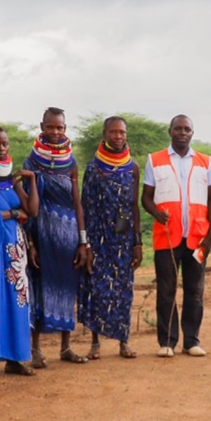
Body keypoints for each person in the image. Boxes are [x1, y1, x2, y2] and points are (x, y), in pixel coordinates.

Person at [142, 114, 211, 357]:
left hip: (197, 237)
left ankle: (191, 341)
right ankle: (167, 342)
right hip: (167, 236)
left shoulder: (205, 161)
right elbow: (145, 197)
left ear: (192, 133)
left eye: (187, 129)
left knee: (195, 290)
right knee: (167, 290)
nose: (182, 133)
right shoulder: (155, 160)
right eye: (178, 128)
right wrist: (155, 212)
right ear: (170, 131)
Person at [25, 107, 93, 367]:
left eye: (60, 127)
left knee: (67, 288)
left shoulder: (71, 162)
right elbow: (27, 205)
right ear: (42, 126)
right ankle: (36, 349)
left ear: (65, 129)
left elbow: (77, 205)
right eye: (51, 127)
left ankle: (66, 347)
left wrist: (83, 241)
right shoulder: (31, 162)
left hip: (68, 238)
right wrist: (30, 243)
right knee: (40, 288)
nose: (55, 132)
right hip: (41, 235)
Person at [78, 115, 143, 360]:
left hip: (123, 239)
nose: (118, 136)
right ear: (105, 135)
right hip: (98, 237)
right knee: (98, 288)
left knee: (123, 290)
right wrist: (88, 243)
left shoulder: (132, 167)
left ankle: (123, 341)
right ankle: (95, 342)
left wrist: (137, 242)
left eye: (122, 133)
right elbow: (86, 206)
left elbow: (134, 206)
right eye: (114, 132)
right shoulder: (94, 168)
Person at [0, 124, 39, 375]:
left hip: (16, 251)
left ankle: (15, 359)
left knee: (18, 302)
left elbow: (33, 211)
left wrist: (31, 181)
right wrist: (14, 213)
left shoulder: (10, 180)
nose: (1, 148)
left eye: (4, 143)